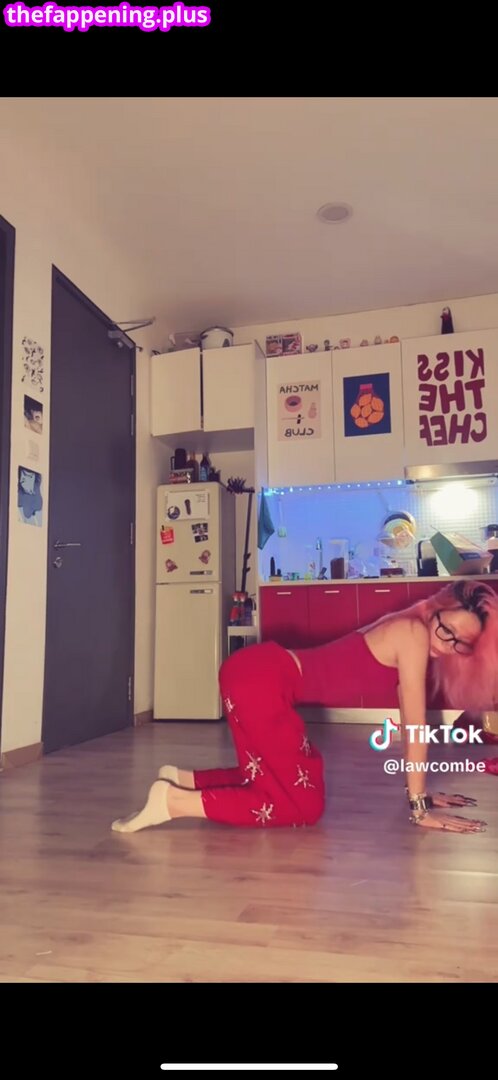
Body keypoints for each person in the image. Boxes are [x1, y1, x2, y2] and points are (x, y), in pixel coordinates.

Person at [112, 579, 498, 836]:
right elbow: (415, 729)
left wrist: (421, 793)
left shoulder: (409, 629)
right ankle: (174, 802)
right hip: (262, 681)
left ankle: (184, 779)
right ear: (436, 609)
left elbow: (407, 726)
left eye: (460, 644)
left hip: (255, 673)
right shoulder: (412, 633)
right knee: (301, 806)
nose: (446, 644)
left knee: (283, 775)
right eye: (446, 629)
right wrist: (419, 810)